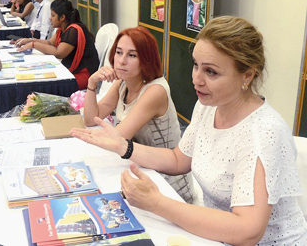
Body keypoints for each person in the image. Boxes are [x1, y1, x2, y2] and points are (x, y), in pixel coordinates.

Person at [71, 16, 307, 245]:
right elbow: (178, 159)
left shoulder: (264, 132)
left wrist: (156, 203)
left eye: (211, 72)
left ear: (247, 74)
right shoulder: (208, 107)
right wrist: (124, 146)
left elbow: (248, 231)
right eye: (196, 65)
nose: (196, 79)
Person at [83, 27, 195, 203]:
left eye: (132, 55)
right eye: (119, 53)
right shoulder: (123, 83)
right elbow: (91, 119)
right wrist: (91, 83)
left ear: (146, 59)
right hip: (140, 167)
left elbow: (117, 137)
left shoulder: (155, 90)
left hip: (167, 182)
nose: (121, 61)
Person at [17, 0, 99, 90]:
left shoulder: (73, 30)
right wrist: (29, 40)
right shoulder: (62, 29)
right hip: (74, 71)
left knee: (50, 86)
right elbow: (50, 43)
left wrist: (33, 44)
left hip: (84, 74)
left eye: (53, 15)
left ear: (62, 17)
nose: (50, 18)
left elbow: (59, 53)